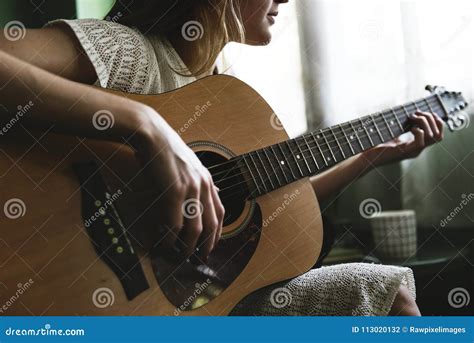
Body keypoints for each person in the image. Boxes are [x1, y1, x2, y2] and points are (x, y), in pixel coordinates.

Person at [0, 0, 445, 316]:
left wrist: (367, 158)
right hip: (74, 284)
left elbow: (270, 209)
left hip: (180, 303)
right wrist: (147, 127)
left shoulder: (220, 91)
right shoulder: (130, 52)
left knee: (388, 291)